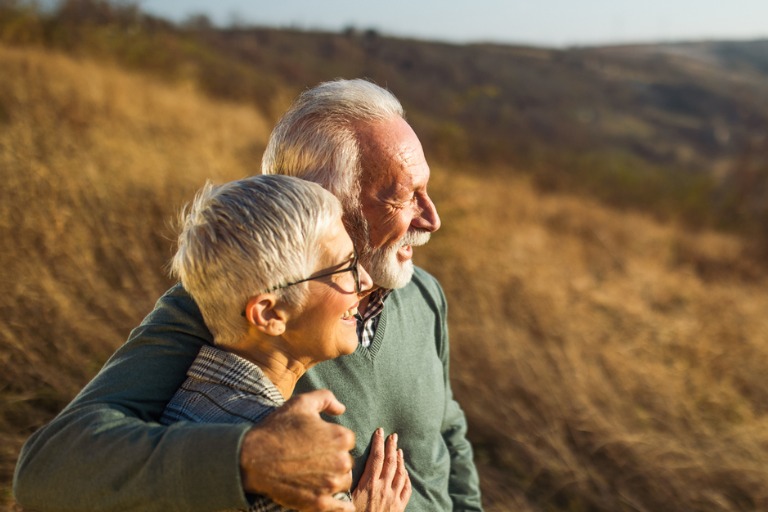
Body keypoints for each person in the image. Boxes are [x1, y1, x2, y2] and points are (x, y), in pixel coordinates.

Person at [13, 79, 483, 512]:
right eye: (403, 197)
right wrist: (250, 458)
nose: (431, 219)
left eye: (427, 189)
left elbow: (448, 432)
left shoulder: (422, 292)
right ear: (319, 202)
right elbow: (47, 472)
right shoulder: (224, 304)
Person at [161, 174, 410, 512]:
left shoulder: (180, 407)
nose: (365, 280)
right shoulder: (298, 478)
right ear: (269, 313)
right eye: (345, 268)